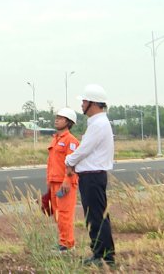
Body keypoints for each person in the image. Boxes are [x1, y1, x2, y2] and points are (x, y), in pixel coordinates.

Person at [64, 84, 115, 266]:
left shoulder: (99, 124)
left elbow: (83, 150)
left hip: (92, 176)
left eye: (84, 101)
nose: (82, 104)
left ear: (93, 103)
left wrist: (69, 162)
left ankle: (104, 256)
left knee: (96, 217)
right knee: (95, 216)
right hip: (91, 176)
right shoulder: (98, 123)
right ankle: (100, 253)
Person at [47, 107, 79, 251]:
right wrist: (49, 183)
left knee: (65, 214)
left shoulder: (71, 141)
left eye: (60, 118)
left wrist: (67, 180)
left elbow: (72, 163)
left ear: (68, 122)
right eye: (57, 117)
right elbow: (51, 162)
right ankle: (62, 242)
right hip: (54, 181)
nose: (57, 119)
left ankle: (67, 244)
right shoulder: (55, 139)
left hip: (65, 183)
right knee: (57, 214)